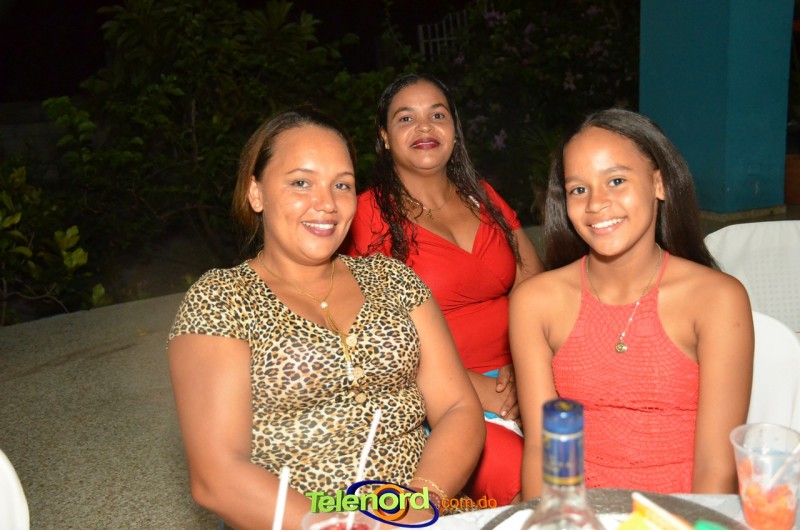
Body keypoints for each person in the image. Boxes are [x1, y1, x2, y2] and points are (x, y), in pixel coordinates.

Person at [167, 107, 485, 530]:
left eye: (342, 185)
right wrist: (337, 525)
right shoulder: (222, 299)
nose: (327, 204)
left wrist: (417, 503)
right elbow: (217, 475)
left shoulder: (392, 278)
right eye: (301, 182)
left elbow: (459, 407)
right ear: (256, 193)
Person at [510, 108, 753, 498]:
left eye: (616, 180)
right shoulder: (535, 302)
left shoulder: (716, 299)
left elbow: (717, 469)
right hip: (577, 514)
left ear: (659, 184)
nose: (596, 203)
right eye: (578, 189)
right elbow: (542, 451)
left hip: (683, 514)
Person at [345, 73, 544, 506]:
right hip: (443, 396)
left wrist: (525, 363)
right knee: (527, 482)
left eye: (437, 115)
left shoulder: (481, 195)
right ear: (384, 137)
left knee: (600, 450)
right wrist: (487, 391)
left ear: (454, 128)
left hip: (524, 370)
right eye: (405, 118)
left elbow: (533, 281)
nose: (424, 127)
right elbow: (367, 340)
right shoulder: (362, 217)